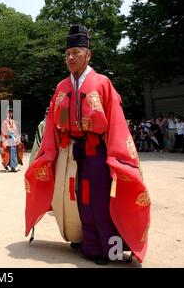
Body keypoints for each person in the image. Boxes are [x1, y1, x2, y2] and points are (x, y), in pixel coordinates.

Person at [25, 25, 150, 265]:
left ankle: (108, 249)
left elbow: (115, 121)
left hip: (96, 152)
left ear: (88, 55)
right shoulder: (62, 87)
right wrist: (48, 153)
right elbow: (52, 122)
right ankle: (87, 244)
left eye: (76, 52)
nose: (70, 58)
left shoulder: (102, 83)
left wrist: (118, 157)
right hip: (69, 151)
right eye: (67, 54)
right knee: (76, 200)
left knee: (99, 201)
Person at [0, 107, 24, 172]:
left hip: (14, 139)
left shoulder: (13, 122)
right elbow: (3, 132)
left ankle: (13, 165)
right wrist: (6, 138)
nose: (10, 114)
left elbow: (16, 131)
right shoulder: (4, 122)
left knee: (16, 150)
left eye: (11, 112)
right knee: (11, 150)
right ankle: (11, 166)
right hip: (7, 138)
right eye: (9, 112)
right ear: (6, 113)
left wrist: (18, 138)